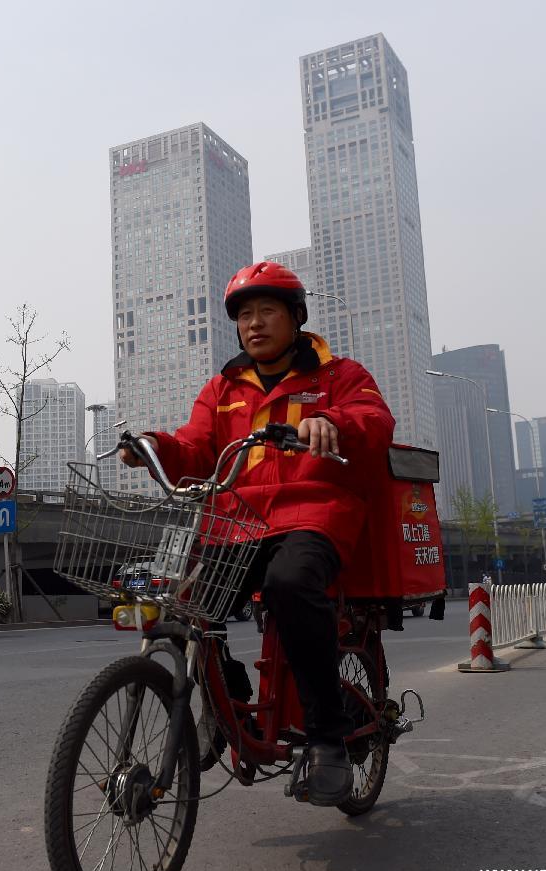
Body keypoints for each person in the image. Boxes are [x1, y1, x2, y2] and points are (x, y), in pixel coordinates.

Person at [120, 261, 395, 805]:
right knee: (185, 597)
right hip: (238, 522)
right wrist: (152, 445)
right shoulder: (223, 388)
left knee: (289, 586)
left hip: (314, 514)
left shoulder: (338, 376)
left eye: (267, 311)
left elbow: (374, 418)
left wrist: (333, 422)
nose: (254, 323)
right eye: (245, 314)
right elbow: (195, 447)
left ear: (296, 318)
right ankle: (227, 701)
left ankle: (327, 738)